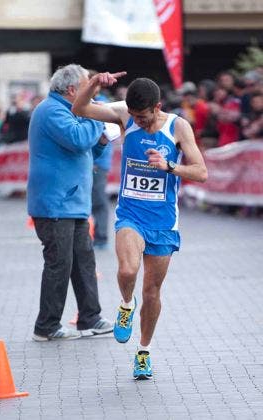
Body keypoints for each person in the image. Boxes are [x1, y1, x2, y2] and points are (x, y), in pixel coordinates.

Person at [72, 72, 208, 379]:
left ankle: (144, 352)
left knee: (152, 292)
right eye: (134, 117)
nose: (139, 123)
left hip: (162, 221)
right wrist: (93, 84)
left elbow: (200, 172)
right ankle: (124, 304)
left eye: (144, 118)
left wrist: (169, 166)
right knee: (127, 271)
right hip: (130, 213)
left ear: (158, 107)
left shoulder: (178, 126)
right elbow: (79, 109)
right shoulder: (125, 115)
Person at [27, 64, 113, 341]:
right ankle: (46, 326)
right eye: (87, 88)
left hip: (71, 202)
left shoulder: (69, 110)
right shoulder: (52, 111)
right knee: (60, 264)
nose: (91, 96)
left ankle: (90, 318)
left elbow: (89, 146)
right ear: (73, 90)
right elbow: (77, 140)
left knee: (83, 262)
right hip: (55, 203)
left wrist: (100, 140)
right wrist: (98, 118)